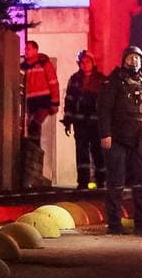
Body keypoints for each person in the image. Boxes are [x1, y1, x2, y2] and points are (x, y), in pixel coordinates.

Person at [99, 46, 142, 235]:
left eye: (138, 57)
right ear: (124, 59)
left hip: (138, 141)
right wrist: (105, 134)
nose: (134, 61)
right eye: (131, 57)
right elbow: (104, 110)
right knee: (116, 182)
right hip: (117, 140)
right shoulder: (114, 80)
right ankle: (114, 224)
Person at [62, 50, 105, 191]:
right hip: (80, 121)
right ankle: (83, 181)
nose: (85, 64)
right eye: (82, 62)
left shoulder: (101, 80)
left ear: (93, 63)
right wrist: (67, 120)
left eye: (88, 61)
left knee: (98, 151)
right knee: (81, 151)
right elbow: (69, 100)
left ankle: (101, 180)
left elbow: (107, 103)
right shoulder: (74, 79)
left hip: (96, 121)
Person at [19, 41, 60, 189]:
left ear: (36, 50)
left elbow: (53, 83)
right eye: (26, 48)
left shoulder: (44, 64)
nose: (26, 50)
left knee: (34, 126)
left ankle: (35, 156)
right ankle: (33, 156)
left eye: (29, 48)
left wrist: (55, 103)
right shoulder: (24, 66)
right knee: (30, 130)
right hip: (29, 102)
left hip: (42, 101)